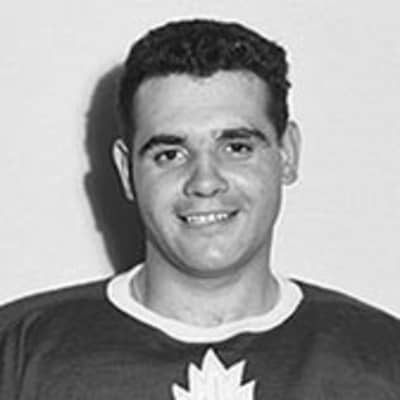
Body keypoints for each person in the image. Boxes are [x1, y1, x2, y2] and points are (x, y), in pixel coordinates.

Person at [1, 19, 399, 400]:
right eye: (170, 154)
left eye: (237, 148)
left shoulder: (382, 357)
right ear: (126, 171)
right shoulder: (19, 352)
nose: (205, 181)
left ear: (287, 153)